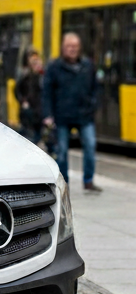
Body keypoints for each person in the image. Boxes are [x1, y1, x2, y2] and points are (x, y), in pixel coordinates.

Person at [43, 32, 99, 191]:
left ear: (79, 48)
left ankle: (88, 181)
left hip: (84, 115)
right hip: (62, 116)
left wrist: (93, 105)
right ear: (63, 48)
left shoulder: (88, 66)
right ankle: (64, 184)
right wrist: (47, 115)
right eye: (69, 46)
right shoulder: (54, 67)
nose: (72, 49)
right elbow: (47, 93)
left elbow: (96, 88)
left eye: (75, 46)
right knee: (62, 152)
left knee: (90, 145)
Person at [14, 49, 45, 145]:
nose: (36, 65)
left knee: (37, 135)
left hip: (40, 110)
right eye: (33, 62)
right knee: (28, 135)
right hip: (28, 110)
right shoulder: (25, 76)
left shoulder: (43, 76)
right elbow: (17, 90)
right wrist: (23, 102)